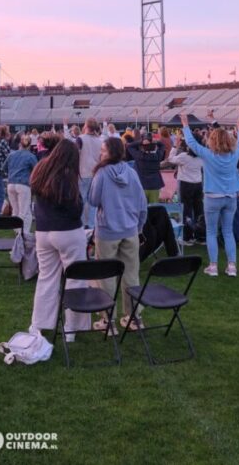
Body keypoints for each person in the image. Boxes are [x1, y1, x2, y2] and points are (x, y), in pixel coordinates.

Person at [28, 139, 88, 339]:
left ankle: (38, 325)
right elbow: (75, 208)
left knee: (46, 279)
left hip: (43, 231)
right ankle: (71, 329)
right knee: (75, 279)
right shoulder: (67, 176)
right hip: (68, 231)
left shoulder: (40, 169)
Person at [88, 137, 148, 332]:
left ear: (111, 152)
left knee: (106, 277)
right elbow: (142, 205)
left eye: (103, 150)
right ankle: (133, 317)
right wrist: (138, 227)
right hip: (129, 230)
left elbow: (93, 200)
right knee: (131, 274)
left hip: (109, 231)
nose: (100, 154)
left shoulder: (103, 174)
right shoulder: (131, 173)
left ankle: (108, 320)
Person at [180, 112, 239, 277]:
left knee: (211, 232)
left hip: (212, 197)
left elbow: (191, 143)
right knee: (228, 232)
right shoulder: (234, 155)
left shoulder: (208, 155)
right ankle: (232, 266)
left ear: (212, 141)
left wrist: (185, 125)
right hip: (230, 197)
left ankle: (213, 266)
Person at [169, 135, 204, 230]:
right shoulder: (202, 157)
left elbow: (171, 159)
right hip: (198, 184)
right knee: (199, 208)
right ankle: (200, 234)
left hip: (186, 184)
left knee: (186, 209)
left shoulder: (184, 157)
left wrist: (175, 146)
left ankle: (188, 236)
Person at [6, 134, 38, 235]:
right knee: (25, 211)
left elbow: (4, 167)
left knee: (15, 210)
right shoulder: (31, 156)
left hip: (11, 183)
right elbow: (37, 171)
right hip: (23, 185)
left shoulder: (11, 155)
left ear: (20, 143)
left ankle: (17, 232)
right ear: (29, 145)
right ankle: (24, 233)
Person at [77, 118, 104, 228]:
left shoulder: (80, 139)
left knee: (82, 201)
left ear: (86, 126)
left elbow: (75, 154)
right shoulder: (100, 141)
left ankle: (82, 225)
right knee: (93, 202)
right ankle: (92, 225)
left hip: (83, 174)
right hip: (96, 173)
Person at [126, 133, 165, 204]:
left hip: (141, 185)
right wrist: (155, 141)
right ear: (154, 146)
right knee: (154, 209)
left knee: (141, 208)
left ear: (143, 146)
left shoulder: (139, 156)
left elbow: (129, 146)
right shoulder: (158, 156)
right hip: (155, 185)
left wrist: (141, 141)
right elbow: (162, 145)